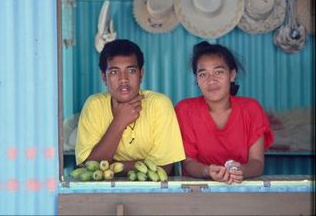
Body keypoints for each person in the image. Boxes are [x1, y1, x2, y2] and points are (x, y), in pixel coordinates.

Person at [75, 39, 185, 175]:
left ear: (141, 74)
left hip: (153, 193)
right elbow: (88, 167)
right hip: (104, 194)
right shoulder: (94, 105)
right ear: (104, 77)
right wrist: (119, 122)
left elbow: (164, 167)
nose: (123, 79)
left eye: (131, 71)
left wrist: (111, 166)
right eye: (114, 72)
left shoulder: (159, 105)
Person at [175, 41, 274, 184]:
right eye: (203, 74)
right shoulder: (185, 110)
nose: (211, 80)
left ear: (232, 75)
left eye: (219, 72)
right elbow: (188, 163)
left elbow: (257, 163)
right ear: (197, 79)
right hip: (198, 194)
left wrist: (240, 172)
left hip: (242, 190)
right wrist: (207, 171)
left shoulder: (251, 109)